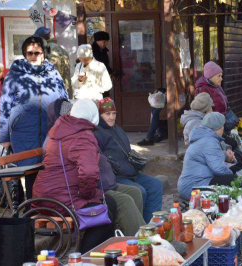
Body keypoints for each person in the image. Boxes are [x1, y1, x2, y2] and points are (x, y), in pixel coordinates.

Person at [45, 98, 146, 236]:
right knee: (125, 201)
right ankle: (141, 243)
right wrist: (90, 195)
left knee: (135, 192)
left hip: (79, 187)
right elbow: (88, 173)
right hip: (70, 193)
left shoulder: (75, 130)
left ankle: (127, 235)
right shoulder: (79, 135)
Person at [33, 99, 117, 253]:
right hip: (62, 200)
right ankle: (83, 257)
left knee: (110, 202)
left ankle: (101, 256)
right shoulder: (83, 135)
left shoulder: (61, 128)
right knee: (105, 217)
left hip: (43, 197)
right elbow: (89, 172)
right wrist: (88, 195)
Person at [0, 36, 68, 199]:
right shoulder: (15, 76)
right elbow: (4, 106)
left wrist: (67, 127)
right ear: (24, 54)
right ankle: (33, 211)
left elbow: (64, 100)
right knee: (31, 173)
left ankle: (51, 209)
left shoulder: (54, 74)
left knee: (52, 171)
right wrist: (4, 136)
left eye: (37, 52)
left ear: (44, 54)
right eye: (30, 53)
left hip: (51, 131)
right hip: (24, 133)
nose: (34, 56)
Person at [94, 98, 163, 223]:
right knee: (140, 191)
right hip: (117, 176)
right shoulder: (97, 133)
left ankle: (151, 224)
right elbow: (101, 159)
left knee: (156, 184)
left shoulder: (117, 129)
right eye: (107, 114)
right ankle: (138, 227)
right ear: (100, 114)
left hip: (131, 172)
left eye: (114, 113)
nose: (111, 117)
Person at [178, 112, 239, 200]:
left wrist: (226, 155)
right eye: (222, 126)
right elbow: (218, 169)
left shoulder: (205, 137)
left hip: (193, 182)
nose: (223, 129)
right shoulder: (209, 141)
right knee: (232, 179)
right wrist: (234, 178)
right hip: (193, 186)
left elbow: (212, 155)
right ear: (218, 128)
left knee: (234, 171)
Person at [34, 27, 73, 98]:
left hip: (54, 95)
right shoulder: (61, 49)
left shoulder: (48, 51)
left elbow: (52, 76)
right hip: (64, 93)